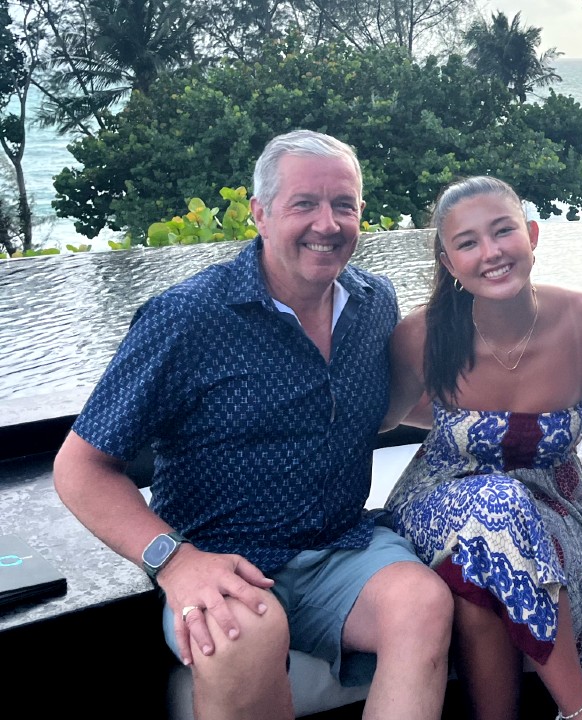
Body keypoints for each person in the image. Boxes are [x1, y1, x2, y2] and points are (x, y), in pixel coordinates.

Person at [53, 130, 453, 720]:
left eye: (343, 205)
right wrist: (175, 563)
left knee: (422, 604)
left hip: (340, 544)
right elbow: (80, 467)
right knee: (240, 634)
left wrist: (511, 414)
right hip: (218, 556)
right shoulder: (189, 317)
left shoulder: (374, 303)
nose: (327, 223)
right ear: (260, 214)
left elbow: (390, 403)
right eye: (304, 204)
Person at [381, 176, 582, 720]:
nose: (491, 253)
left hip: (556, 508)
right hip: (438, 502)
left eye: (503, 231)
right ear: (448, 262)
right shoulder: (422, 336)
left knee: (477, 595)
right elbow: (378, 419)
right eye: (468, 242)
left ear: (532, 235)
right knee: (498, 502)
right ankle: (581, 710)